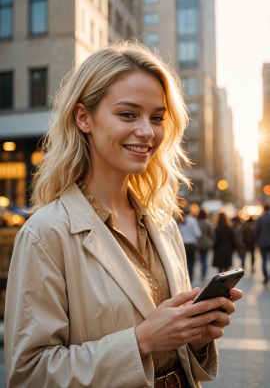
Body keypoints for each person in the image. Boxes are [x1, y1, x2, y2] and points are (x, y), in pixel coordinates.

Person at [4, 41, 242, 388]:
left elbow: (169, 351)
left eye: (157, 118)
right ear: (83, 117)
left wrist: (194, 337)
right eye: (128, 114)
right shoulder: (45, 234)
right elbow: (29, 375)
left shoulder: (162, 223)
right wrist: (141, 341)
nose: (147, 131)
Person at [177, 205, 202, 284]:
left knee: (183, 264)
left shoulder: (180, 222)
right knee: (191, 264)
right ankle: (190, 281)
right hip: (191, 245)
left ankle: (184, 280)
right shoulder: (192, 221)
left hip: (182, 245)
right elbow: (198, 234)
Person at [197, 208, 215, 281]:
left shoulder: (197, 222)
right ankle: (204, 273)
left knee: (201, 259)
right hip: (207, 244)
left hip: (199, 244)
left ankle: (202, 272)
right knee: (204, 259)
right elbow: (212, 234)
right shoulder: (208, 223)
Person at [255, 203, 270, 284]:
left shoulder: (260, 219)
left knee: (264, 260)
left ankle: (266, 277)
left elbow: (256, 231)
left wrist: (257, 241)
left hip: (263, 242)